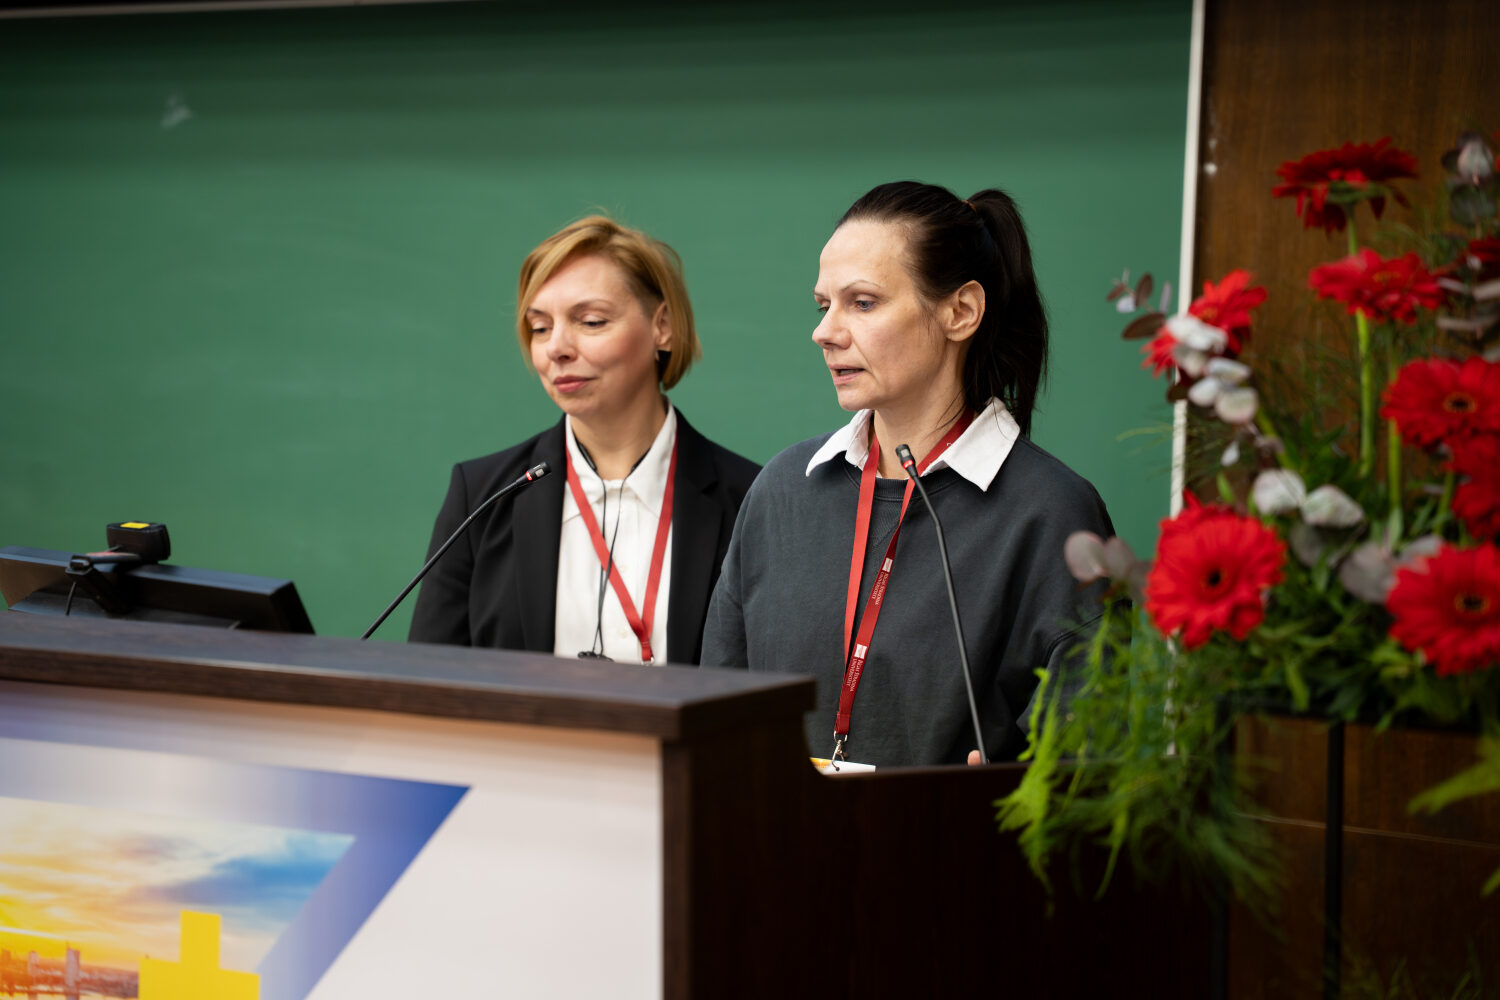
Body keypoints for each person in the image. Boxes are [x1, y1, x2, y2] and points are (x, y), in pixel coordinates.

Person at [701, 182, 1113, 767]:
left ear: (960, 312)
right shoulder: (783, 491)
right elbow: (717, 717)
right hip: (779, 826)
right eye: (824, 305)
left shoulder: (1052, 512)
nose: (825, 332)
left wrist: (1005, 788)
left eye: (863, 303)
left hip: (952, 829)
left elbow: (1083, 761)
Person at [409, 215, 760, 665]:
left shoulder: (752, 500)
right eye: (539, 327)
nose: (556, 348)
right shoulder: (481, 498)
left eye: (591, 321)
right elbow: (428, 680)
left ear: (663, 327)